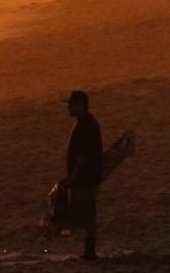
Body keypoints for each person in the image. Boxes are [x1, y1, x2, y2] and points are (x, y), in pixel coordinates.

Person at [63, 90, 104, 261]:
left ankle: (90, 252)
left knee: (88, 214)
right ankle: (89, 251)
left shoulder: (86, 125)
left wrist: (72, 178)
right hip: (85, 176)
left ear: (80, 105)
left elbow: (84, 157)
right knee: (86, 213)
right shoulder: (85, 123)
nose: (68, 108)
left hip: (85, 177)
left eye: (71, 104)